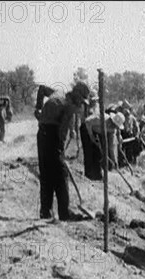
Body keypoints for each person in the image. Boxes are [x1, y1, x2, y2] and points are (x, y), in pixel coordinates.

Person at [36, 81, 90, 220]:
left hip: (41, 133)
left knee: (46, 173)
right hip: (52, 135)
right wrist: (60, 152)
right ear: (77, 95)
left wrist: (38, 108)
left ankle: (45, 212)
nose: (81, 103)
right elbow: (61, 133)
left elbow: (41, 88)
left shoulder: (57, 93)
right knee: (61, 174)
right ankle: (64, 213)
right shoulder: (69, 106)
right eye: (81, 100)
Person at [83, 112, 126, 180]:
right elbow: (87, 122)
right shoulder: (102, 119)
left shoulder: (112, 130)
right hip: (86, 128)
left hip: (96, 132)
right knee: (89, 151)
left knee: (99, 153)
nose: (115, 127)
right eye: (114, 125)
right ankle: (88, 175)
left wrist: (114, 160)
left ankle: (97, 175)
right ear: (112, 121)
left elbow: (111, 147)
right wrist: (91, 137)